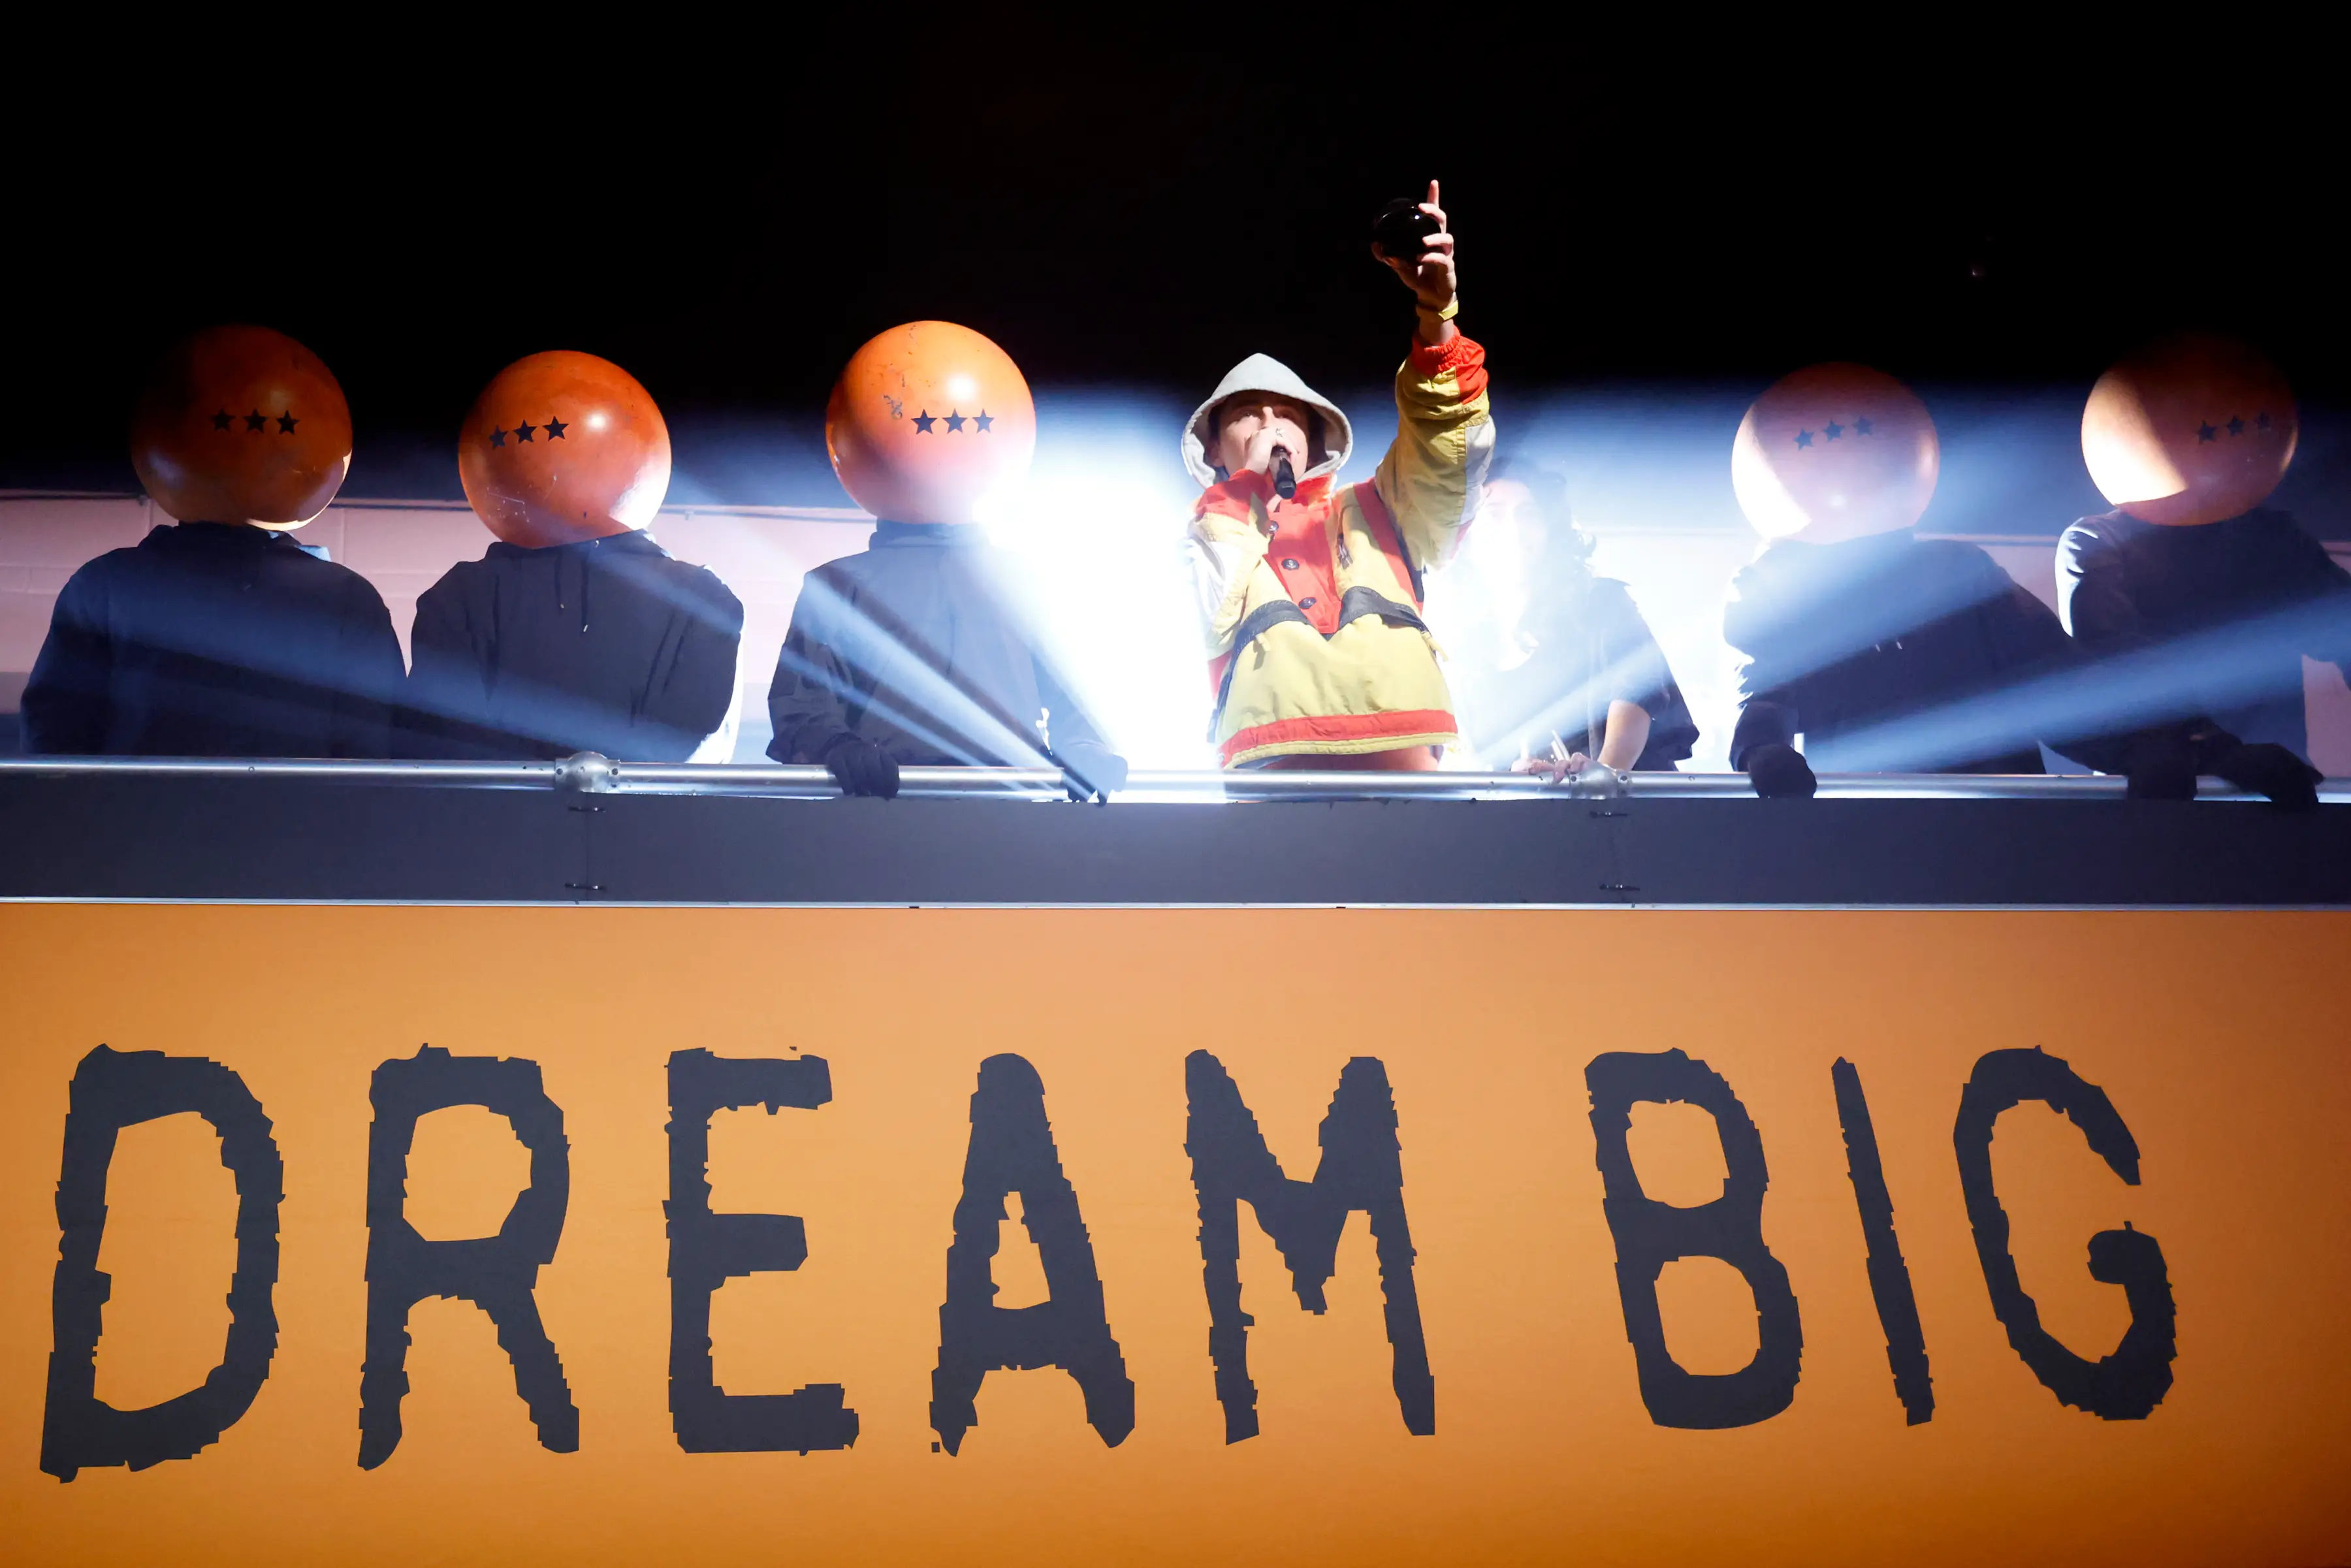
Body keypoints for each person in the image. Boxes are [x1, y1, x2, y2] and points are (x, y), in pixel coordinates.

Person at [1182, 180, 1492, 770]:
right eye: (1248, 415)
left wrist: (1438, 320)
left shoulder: (1378, 505)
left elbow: (1452, 450)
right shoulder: (1208, 531)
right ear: (1216, 448)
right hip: (1273, 774)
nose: (1271, 427)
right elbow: (1209, 619)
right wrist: (1244, 490)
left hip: (1405, 765)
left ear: (1315, 439)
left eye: (1290, 417)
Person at [765, 321, 1125, 799]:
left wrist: (1086, 748)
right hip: (898, 812)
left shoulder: (1021, 579)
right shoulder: (837, 584)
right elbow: (804, 712)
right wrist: (840, 749)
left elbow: (1074, 706)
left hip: (996, 810)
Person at [22, 325, 404, 758]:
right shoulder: (351, 601)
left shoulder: (103, 584)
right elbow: (374, 764)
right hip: (293, 826)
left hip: (137, 825)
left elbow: (54, 746)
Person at [1721, 362, 2095, 797]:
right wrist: (1762, 750)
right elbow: (1764, 691)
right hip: (1857, 818)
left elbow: (2049, 672)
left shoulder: (1960, 567)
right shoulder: (1771, 584)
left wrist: (2136, 752)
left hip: (1992, 812)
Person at [403, 351, 744, 762]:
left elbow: (441, 735)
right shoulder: (703, 599)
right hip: (650, 823)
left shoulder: (459, 594)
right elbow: (690, 741)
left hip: (494, 822)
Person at [2058, 332, 2339, 803]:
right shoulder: (2096, 540)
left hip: (2270, 795)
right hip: (2172, 796)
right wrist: (2211, 749)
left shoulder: (2274, 536)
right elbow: (2119, 661)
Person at [1443, 458, 1697, 787]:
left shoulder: (1601, 602)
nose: (1514, 528)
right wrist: (1513, 779)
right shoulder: (1464, 650)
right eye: (1494, 514)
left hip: (1631, 813)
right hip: (1535, 823)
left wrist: (1604, 773)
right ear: (1466, 536)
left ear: (1550, 527)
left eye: (1528, 513)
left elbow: (1637, 691)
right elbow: (1477, 761)